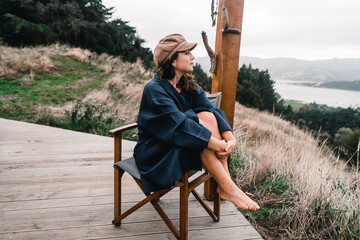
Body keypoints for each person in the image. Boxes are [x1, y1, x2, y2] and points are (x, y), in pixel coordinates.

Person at [133, 33, 259, 211]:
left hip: (181, 144)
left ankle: (226, 187)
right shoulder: (154, 90)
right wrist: (218, 145)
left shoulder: (187, 84)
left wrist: (230, 138)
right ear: (173, 61)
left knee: (206, 117)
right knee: (196, 133)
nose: (192, 57)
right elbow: (180, 126)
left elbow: (212, 110)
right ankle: (228, 187)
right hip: (156, 153)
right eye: (186, 53)